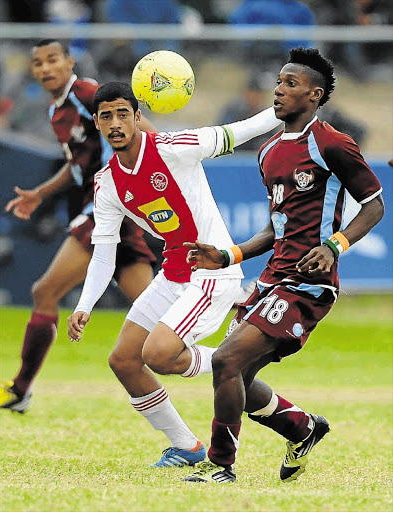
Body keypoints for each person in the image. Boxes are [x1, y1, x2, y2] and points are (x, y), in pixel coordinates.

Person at [183, 47, 384, 483]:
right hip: (273, 277)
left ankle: (220, 467)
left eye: (290, 84)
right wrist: (230, 255)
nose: (278, 90)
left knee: (224, 361)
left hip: (309, 284)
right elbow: (277, 226)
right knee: (238, 377)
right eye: (278, 81)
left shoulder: (331, 142)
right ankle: (303, 428)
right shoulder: (269, 151)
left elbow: (374, 206)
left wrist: (335, 244)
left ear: (314, 95)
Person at [67, 81, 282, 466]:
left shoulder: (175, 147)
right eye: (105, 117)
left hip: (213, 272)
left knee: (160, 354)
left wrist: (289, 110)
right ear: (97, 124)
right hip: (174, 273)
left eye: (122, 114)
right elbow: (104, 251)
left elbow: (240, 130)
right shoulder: (108, 182)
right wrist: (85, 304)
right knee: (124, 361)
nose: (115, 123)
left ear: (136, 117)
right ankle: (186, 445)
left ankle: (230, 361)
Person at [0, 39, 157, 413]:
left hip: (106, 210)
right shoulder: (58, 111)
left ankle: (20, 389)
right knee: (154, 310)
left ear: (69, 62)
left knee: (44, 292)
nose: (45, 68)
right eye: (38, 63)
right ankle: (222, 359)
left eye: (53, 59)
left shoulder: (86, 92)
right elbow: (76, 166)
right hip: (112, 212)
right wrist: (39, 193)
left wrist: (153, 172)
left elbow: (142, 128)